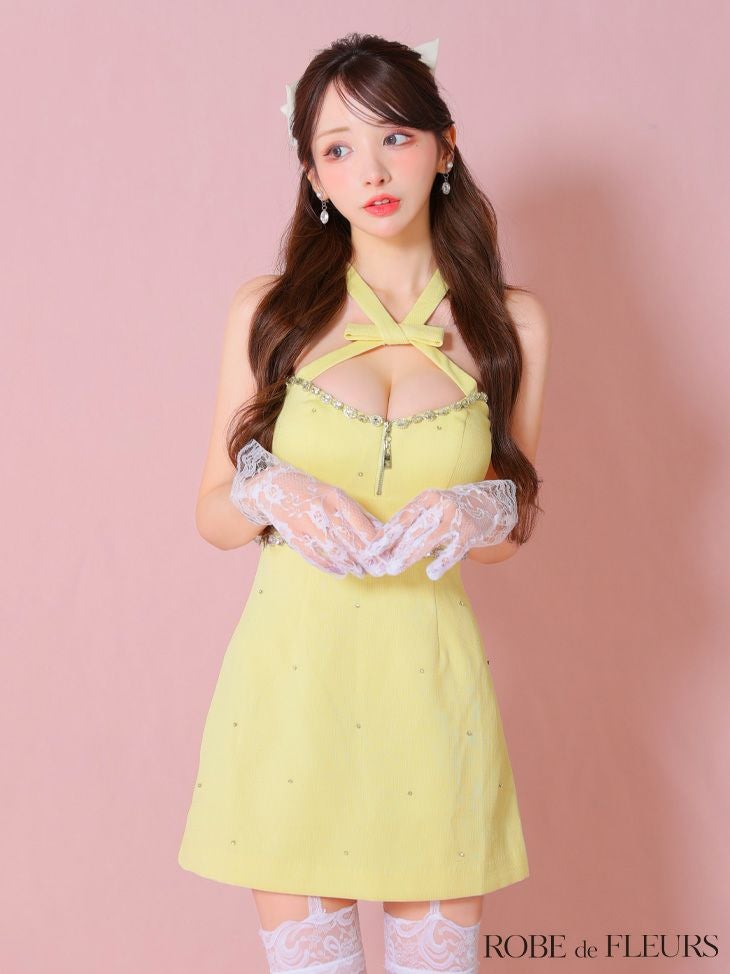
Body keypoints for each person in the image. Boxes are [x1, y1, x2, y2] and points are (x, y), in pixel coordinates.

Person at [178, 32, 551, 974]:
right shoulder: (268, 312)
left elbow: (511, 528)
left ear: (445, 145)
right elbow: (212, 514)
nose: (372, 171)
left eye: (395, 137)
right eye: (338, 148)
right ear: (312, 174)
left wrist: (477, 511)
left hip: (433, 695)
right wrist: (271, 489)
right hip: (291, 692)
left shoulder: (512, 324)